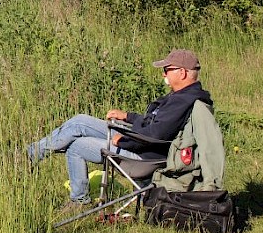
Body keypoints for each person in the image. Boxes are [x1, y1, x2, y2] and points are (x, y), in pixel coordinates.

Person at [26, 49, 213, 213]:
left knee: (77, 146)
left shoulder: (182, 101)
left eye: (166, 70)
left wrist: (123, 141)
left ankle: (79, 201)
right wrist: (128, 116)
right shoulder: (181, 95)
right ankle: (30, 155)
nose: (163, 74)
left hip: (143, 155)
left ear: (181, 73)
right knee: (80, 121)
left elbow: (155, 135)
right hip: (139, 141)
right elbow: (154, 123)